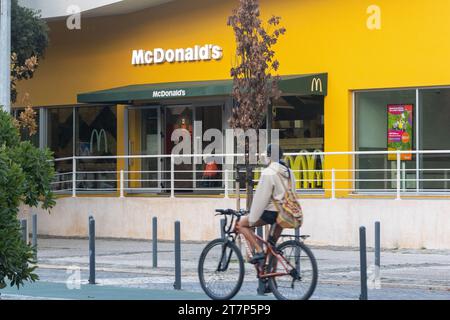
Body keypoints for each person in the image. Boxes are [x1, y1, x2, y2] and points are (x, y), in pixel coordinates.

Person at [236, 144, 296, 264]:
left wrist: (252, 217)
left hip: (272, 212)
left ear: (269, 156)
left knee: (242, 224)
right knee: (271, 246)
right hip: (286, 213)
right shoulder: (289, 172)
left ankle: (259, 251)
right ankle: (270, 275)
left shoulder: (268, 172)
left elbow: (261, 198)